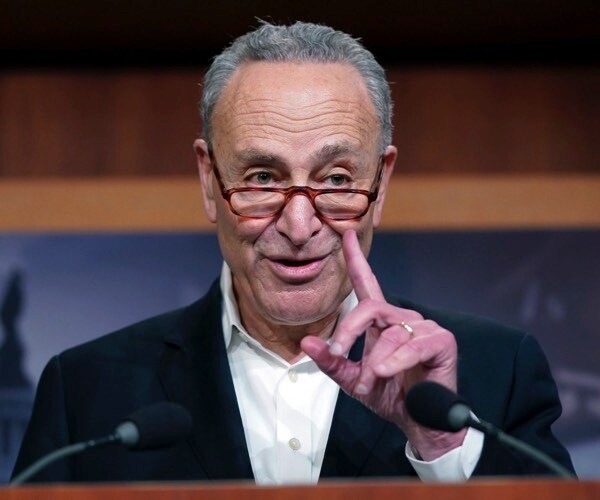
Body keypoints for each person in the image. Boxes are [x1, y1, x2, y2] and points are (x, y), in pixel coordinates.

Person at [12, 21, 574, 484]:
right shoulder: (86, 392)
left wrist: (442, 447)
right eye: (262, 177)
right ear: (210, 180)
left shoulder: (498, 373)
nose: (300, 225)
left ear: (382, 183)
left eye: (334, 180)